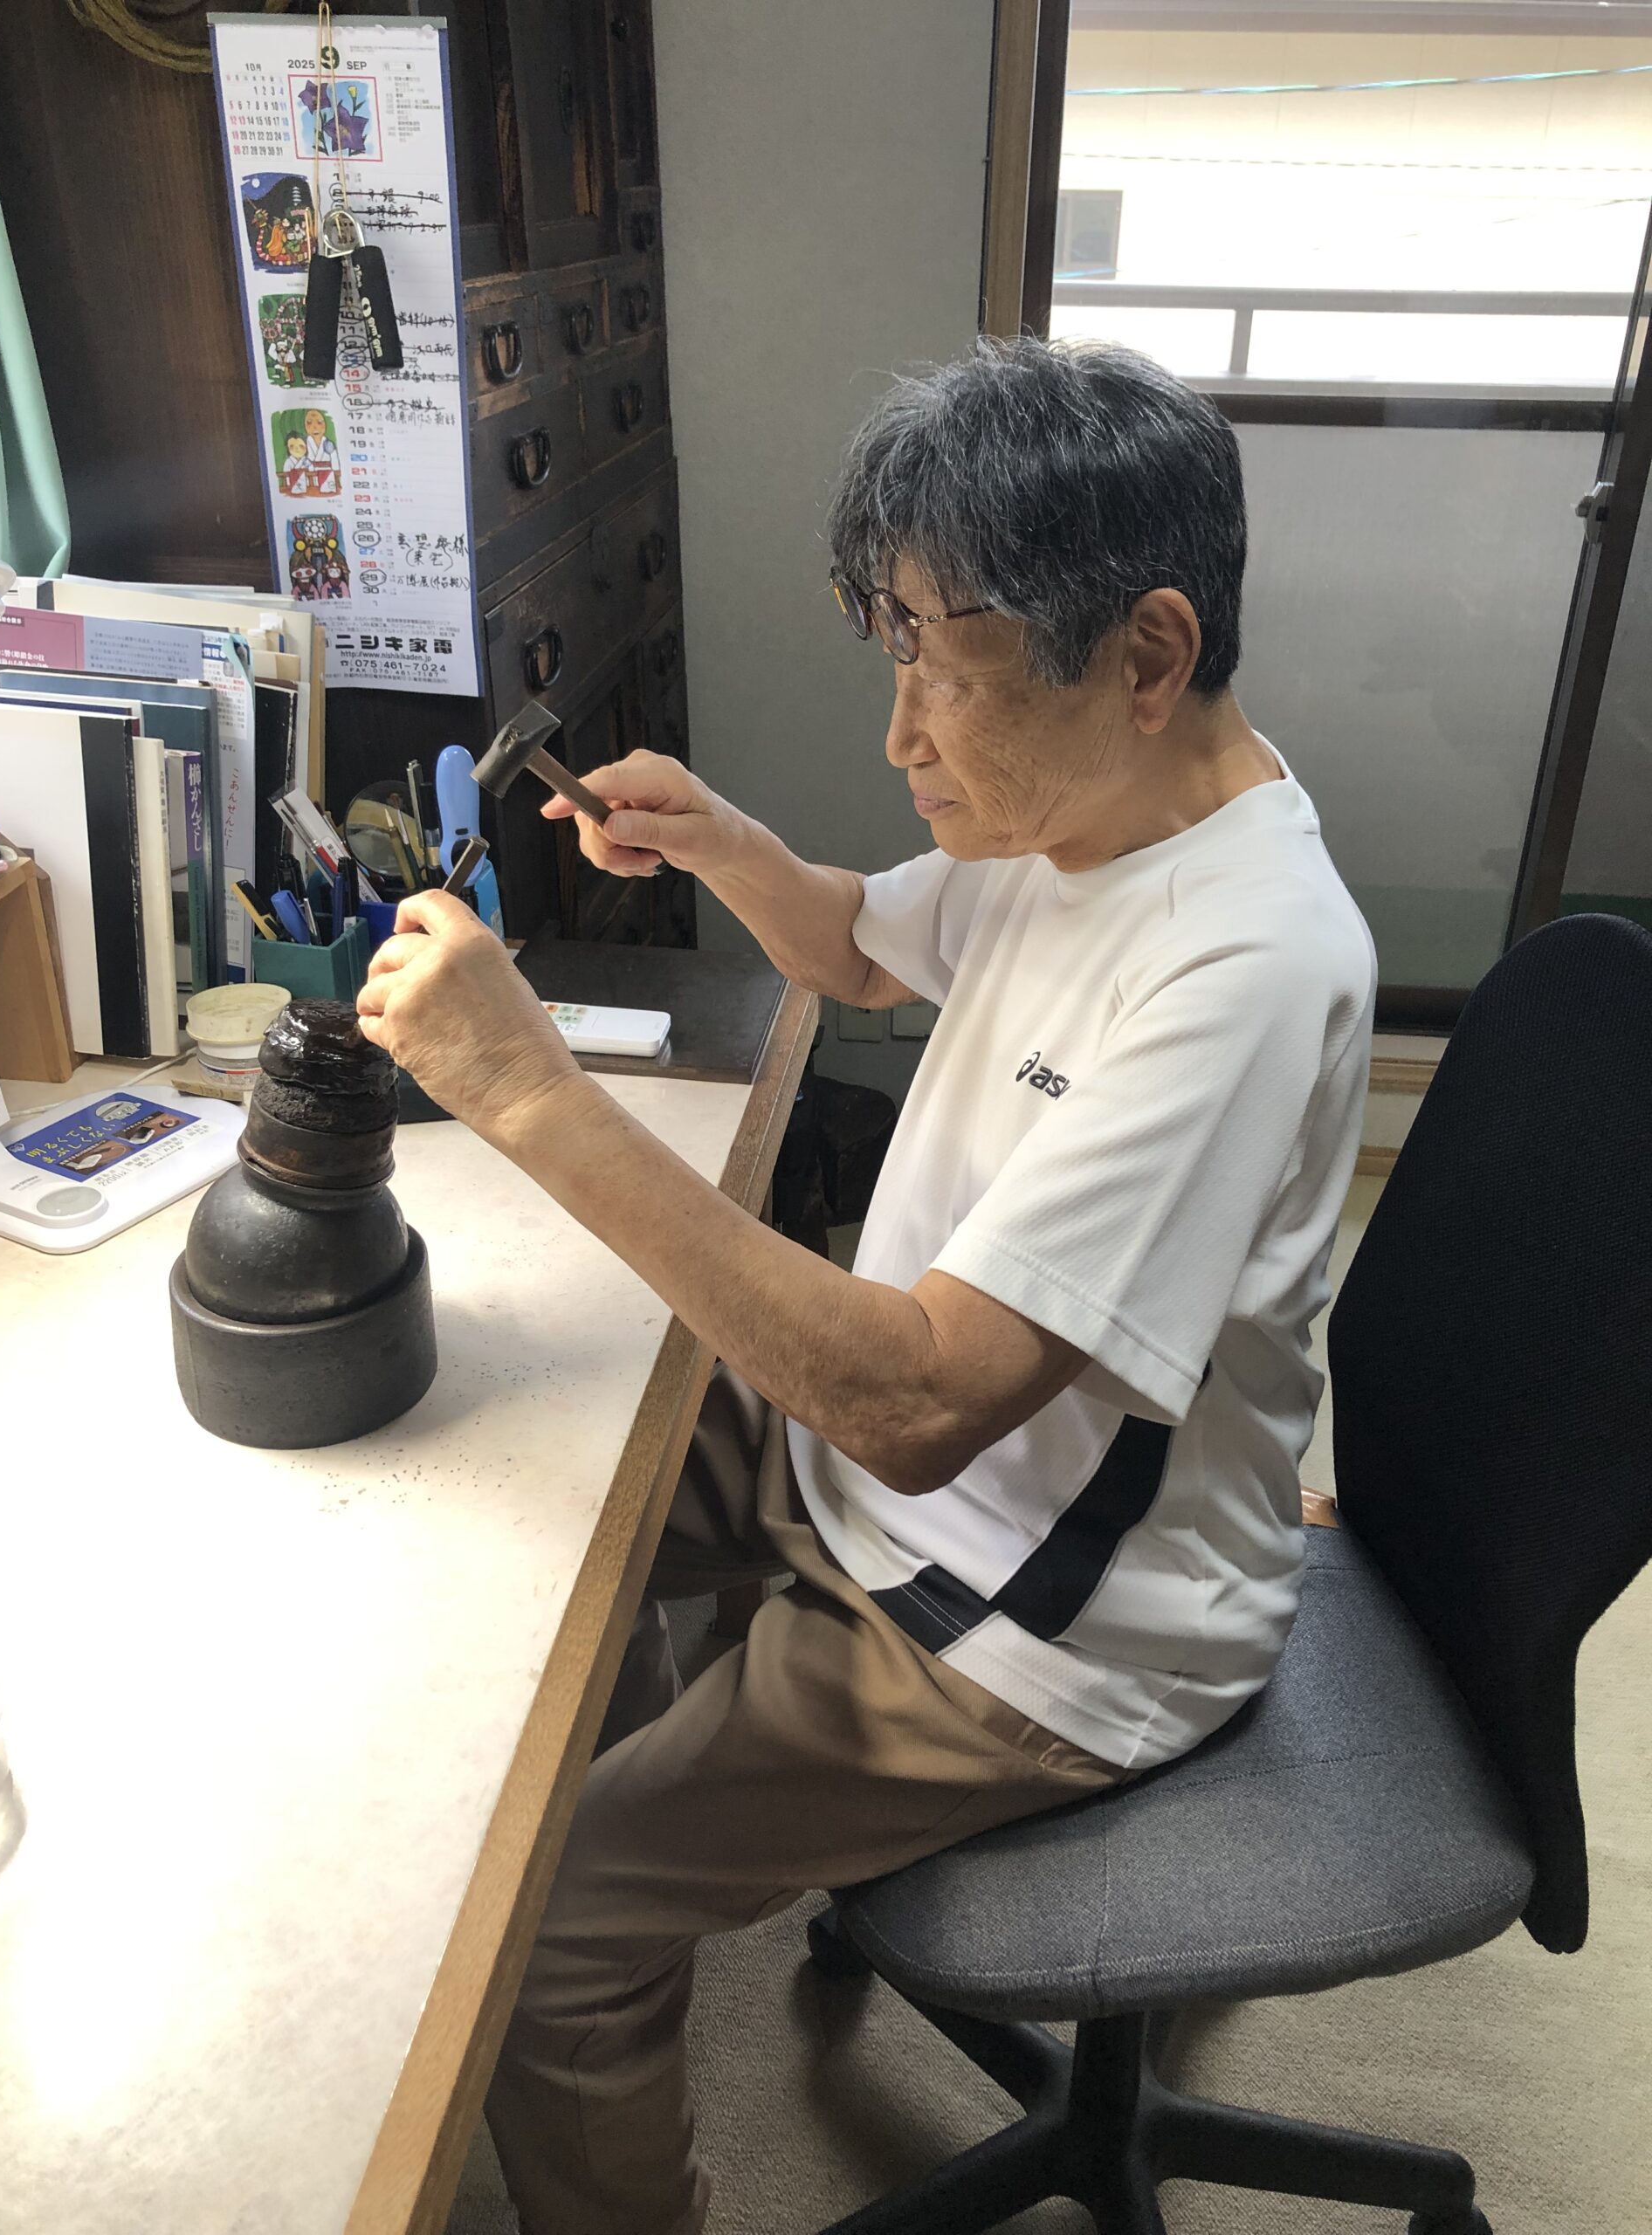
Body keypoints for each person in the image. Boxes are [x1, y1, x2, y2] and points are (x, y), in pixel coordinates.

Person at [355, 336, 1376, 2235]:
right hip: (889, 1479)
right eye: (893, 650)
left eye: (939, 667)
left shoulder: (1244, 963)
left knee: (550, 1924)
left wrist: (531, 1092)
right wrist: (716, 838)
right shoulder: (1085, 815)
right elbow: (858, 947)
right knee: (529, 1493)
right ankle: (655, 1777)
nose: (904, 734)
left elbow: (916, 1404)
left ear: (1147, 655)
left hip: (1042, 1621)